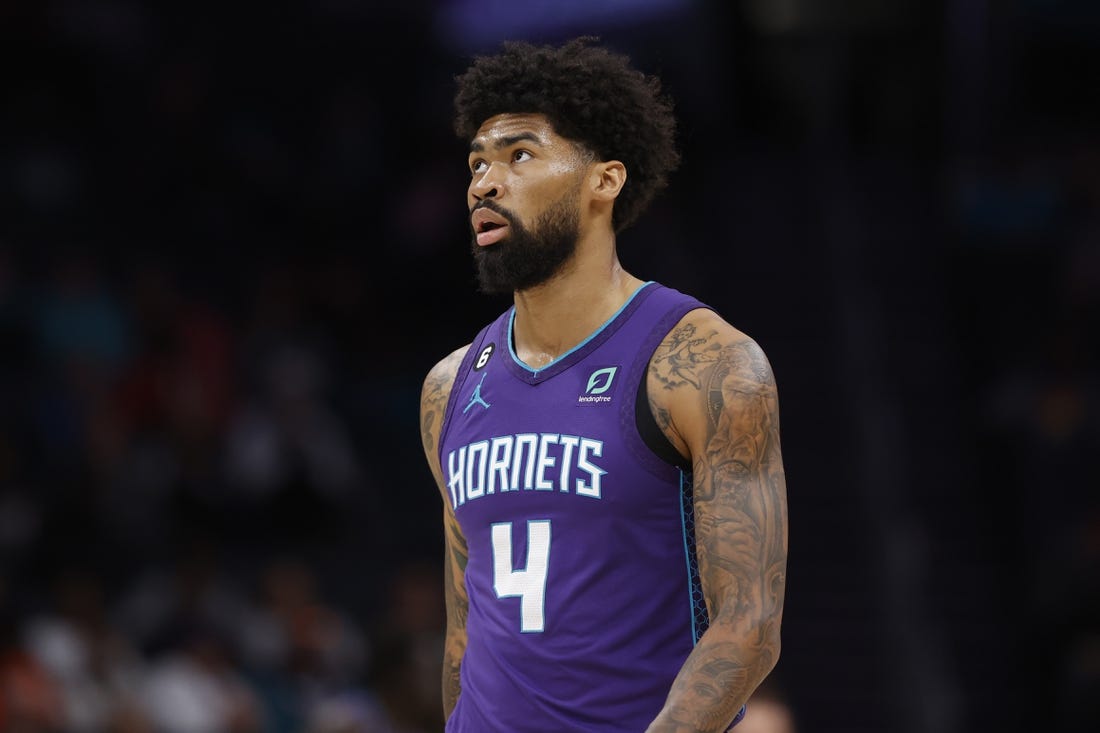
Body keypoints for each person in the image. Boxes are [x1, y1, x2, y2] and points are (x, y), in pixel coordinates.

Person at [418, 37, 788, 733]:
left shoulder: (705, 363)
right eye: (477, 162)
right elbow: (463, 633)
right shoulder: (449, 386)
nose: (483, 183)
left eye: (519, 155)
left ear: (605, 180)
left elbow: (749, 625)